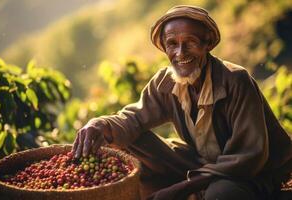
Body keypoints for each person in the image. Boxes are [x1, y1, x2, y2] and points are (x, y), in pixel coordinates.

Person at [72, 5, 292, 200]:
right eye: (172, 44)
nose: (180, 53)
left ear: (207, 44)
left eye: (191, 43)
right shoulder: (165, 81)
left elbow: (249, 159)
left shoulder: (236, 81)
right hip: (202, 162)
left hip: (256, 172)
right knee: (127, 138)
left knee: (221, 194)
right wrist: (99, 124)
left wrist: (181, 189)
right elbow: (133, 118)